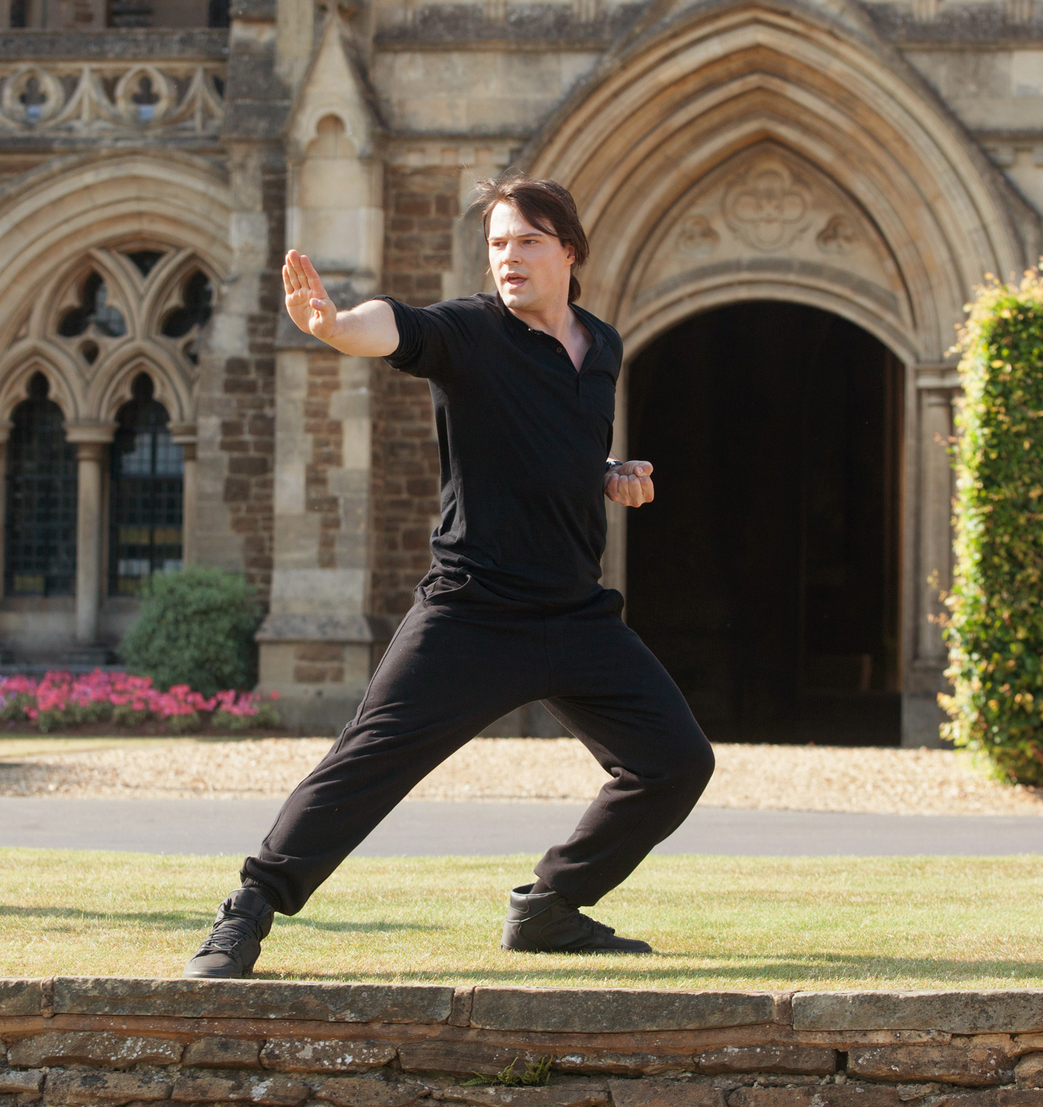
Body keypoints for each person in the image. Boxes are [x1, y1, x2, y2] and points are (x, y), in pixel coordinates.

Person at [182, 174, 715, 978]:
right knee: (368, 762)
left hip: (576, 615)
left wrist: (606, 472)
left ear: (568, 250)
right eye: (498, 244)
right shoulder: (471, 332)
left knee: (677, 762)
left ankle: (549, 908)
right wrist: (335, 326)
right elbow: (395, 326)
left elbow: (555, 440)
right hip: (473, 611)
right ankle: (246, 912)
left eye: (527, 241)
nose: (509, 258)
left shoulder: (599, 346)